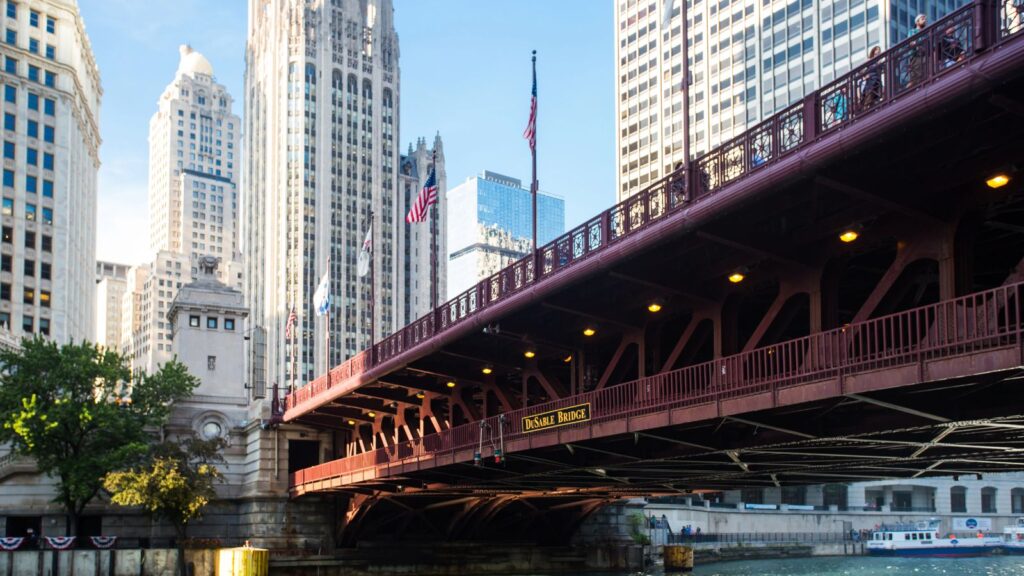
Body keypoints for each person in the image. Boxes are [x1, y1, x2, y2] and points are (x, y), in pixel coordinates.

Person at [908, 14, 927, 88]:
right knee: (917, 76)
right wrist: (918, 45)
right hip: (916, 56)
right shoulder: (913, 31)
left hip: (925, 55)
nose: (924, 20)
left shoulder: (925, 32)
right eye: (922, 19)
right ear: (917, 22)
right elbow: (911, 42)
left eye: (925, 19)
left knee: (924, 74)